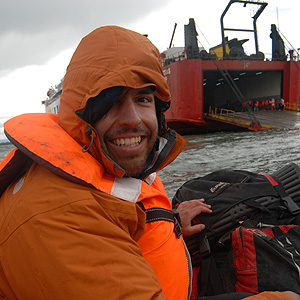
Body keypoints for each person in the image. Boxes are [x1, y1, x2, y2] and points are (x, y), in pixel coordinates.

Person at [0, 26, 299, 300]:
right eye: (112, 103)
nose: (132, 119)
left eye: (143, 99)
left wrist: (168, 221)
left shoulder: (106, 164)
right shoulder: (55, 216)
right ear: (82, 115)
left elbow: (116, 215)